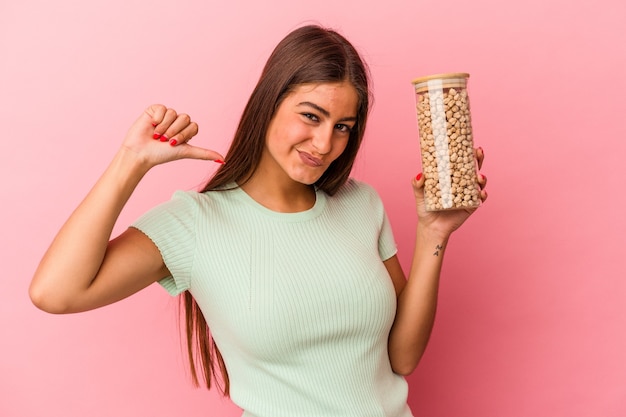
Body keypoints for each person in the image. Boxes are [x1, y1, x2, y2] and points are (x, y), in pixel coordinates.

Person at [30, 24, 487, 417]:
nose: (325, 143)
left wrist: (434, 231)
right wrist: (131, 161)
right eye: (311, 116)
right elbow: (56, 292)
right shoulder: (195, 222)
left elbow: (401, 357)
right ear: (269, 103)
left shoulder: (360, 204)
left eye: (343, 126)